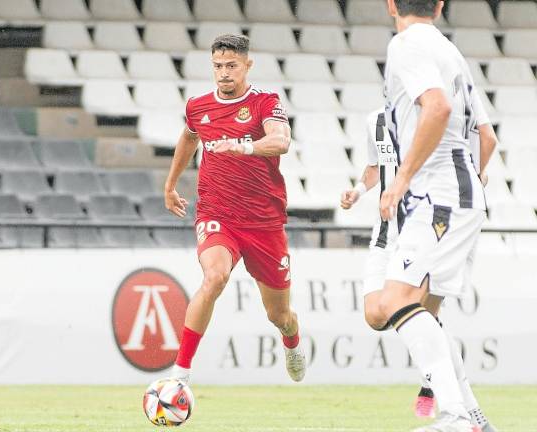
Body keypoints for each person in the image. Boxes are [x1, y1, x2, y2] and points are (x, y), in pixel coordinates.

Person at [374, 0, 495, 430]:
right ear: (440, 6)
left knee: (395, 301)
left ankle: (455, 416)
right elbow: (488, 137)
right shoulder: (449, 50)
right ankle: (473, 417)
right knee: (424, 308)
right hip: (458, 196)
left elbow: (437, 108)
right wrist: (469, 187)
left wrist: (402, 179)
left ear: (391, 4)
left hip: (436, 197)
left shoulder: (407, 44)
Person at [340, 107, 498, 431]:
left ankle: (464, 413)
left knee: (423, 309)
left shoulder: (436, 118)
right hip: (385, 232)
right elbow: (375, 167)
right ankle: (457, 404)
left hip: (427, 224)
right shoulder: (375, 120)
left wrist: (477, 176)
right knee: (376, 313)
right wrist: (357, 190)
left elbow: (483, 145)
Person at [163, 34, 304, 385]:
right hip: (217, 214)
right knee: (214, 277)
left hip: (264, 223)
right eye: (218, 66)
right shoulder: (198, 106)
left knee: (279, 314)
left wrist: (244, 146)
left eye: (231, 66)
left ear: (246, 65)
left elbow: (281, 141)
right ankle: (180, 373)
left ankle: (291, 341)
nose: (224, 73)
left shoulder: (264, 103)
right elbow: (189, 136)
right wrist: (170, 184)